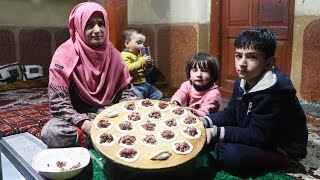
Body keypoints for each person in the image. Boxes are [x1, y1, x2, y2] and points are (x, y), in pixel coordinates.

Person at [201, 28, 308, 177]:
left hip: (279, 146)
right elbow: (231, 112)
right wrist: (204, 121)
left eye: (252, 57)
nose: (242, 64)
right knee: (204, 135)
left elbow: (259, 135)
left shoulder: (274, 92)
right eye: (238, 56)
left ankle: (285, 161)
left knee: (231, 155)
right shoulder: (242, 79)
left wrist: (216, 132)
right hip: (257, 133)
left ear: (269, 62)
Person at [40, 2, 136, 148]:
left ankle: (106, 136)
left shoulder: (114, 55)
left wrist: (127, 107)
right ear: (78, 27)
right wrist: (86, 125)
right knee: (51, 133)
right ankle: (109, 137)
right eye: (89, 25)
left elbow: (126, 92)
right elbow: (58, 103)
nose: (97, 30)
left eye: (101, 24)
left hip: (110, 113)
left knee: (142, 113)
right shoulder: (64, 55)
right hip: (78, 117)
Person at [121, 28, 163, 100]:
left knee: (158, 94)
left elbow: (145, 71)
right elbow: (127, 69)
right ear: (127, 43)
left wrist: (149, 65)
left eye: (143, 43)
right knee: (137, 99)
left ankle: (148, 104)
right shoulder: (124, 55)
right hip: (133, 86)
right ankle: (142, 103)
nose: (142, 46)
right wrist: (142, 61)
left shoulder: (140, 54)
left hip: (144, 83)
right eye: (139, 43)